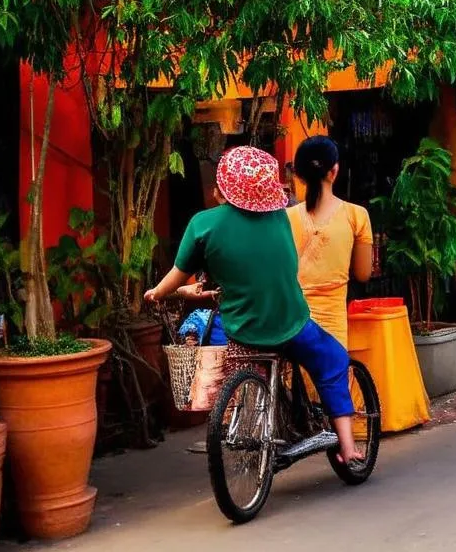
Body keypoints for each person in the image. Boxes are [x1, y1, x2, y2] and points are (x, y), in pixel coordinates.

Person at [145, 145, 362, 464]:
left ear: (219, 191)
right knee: (333, 359)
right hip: (291, 323)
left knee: (245, 360)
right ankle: (347, 446)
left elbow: (179, 275)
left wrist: (157, 293)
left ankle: (247, 423)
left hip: (242, 330)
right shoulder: (280, 216)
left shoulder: (203, 224)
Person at [287, 136, 373, 349]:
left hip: (292, 322)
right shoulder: (357, 215)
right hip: (332, 324)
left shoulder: (284, 218)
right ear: (334, 171)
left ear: (298, 175)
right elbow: (363, 273)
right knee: (331, 379)